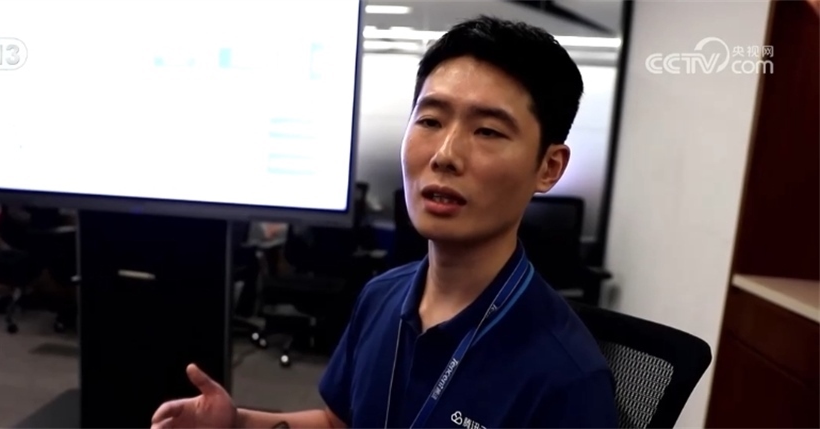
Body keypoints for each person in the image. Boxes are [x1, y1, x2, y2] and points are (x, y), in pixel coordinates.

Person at [151, 16, 618, 429]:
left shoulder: (568, 377)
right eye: (431, 121)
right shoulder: (382, 296)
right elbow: (339, 423)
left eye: (488, 131)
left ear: (548, 167)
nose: (445, 154)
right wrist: (237, 423)